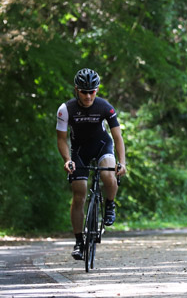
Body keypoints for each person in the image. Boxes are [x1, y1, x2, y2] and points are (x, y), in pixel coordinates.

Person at [56, 68, 127, 260]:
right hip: (79, 151)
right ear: (76, 90)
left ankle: (110, 204)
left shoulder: (105, 107)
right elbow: (61, 139)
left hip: (102, 146)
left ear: (97, 90)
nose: (88, 96)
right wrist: (67, 160)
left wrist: (122, 162)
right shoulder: (66, 109)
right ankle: (79, 241)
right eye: (84, 91)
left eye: (92, 91)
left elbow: (117, 136)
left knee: (108, 174)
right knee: (79, 192)